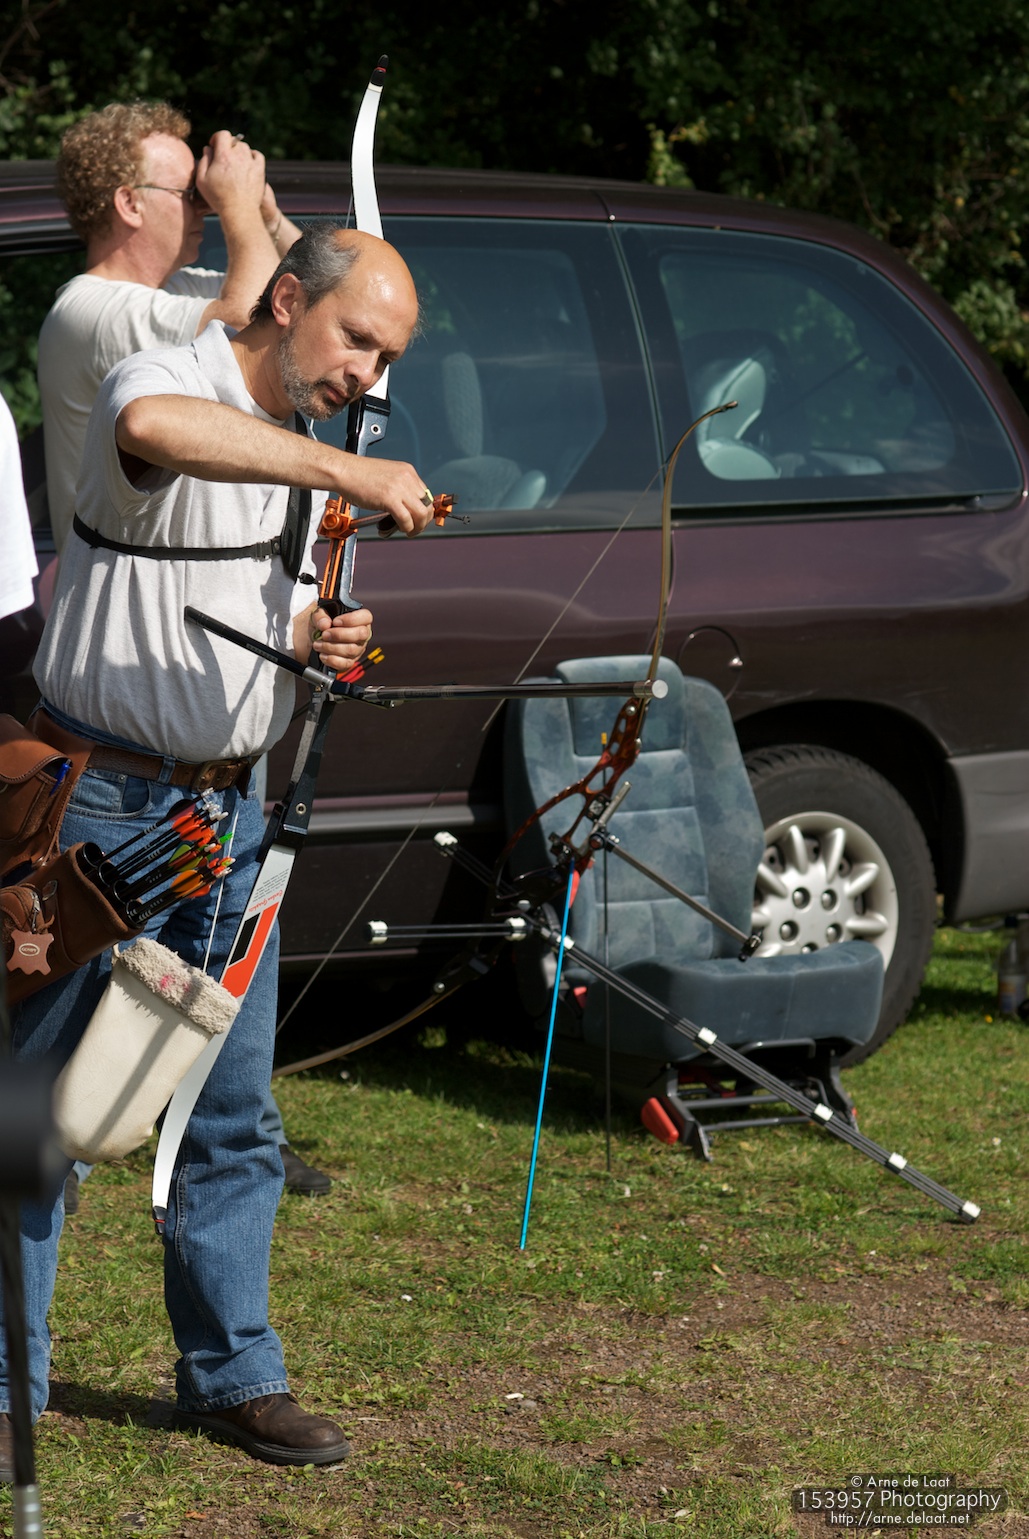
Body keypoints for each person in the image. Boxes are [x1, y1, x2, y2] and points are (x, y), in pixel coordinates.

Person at [0, 224, 433, 1475]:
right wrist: (346, 472)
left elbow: (233, 591)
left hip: (228, 819)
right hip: (98, 804)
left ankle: (234, 1374)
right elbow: (157, 434)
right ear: (286, 298)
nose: (365, 375)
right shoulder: (162, 370)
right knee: (36, 1106)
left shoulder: (299, 441)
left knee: (233, 1111)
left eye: (386, 359)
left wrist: (310, 631)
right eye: (357, 340)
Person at [38, 100, 327, 1198]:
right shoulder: (94, 311)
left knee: (215, 1082)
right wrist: (241, 213)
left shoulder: (180, 292)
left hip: (209, 733)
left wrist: (264, 206)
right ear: (127, 203)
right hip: (119, 708)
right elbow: (238, 327)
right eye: (185, 193)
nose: (204, 213)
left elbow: (302, 300)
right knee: (48, 1082)